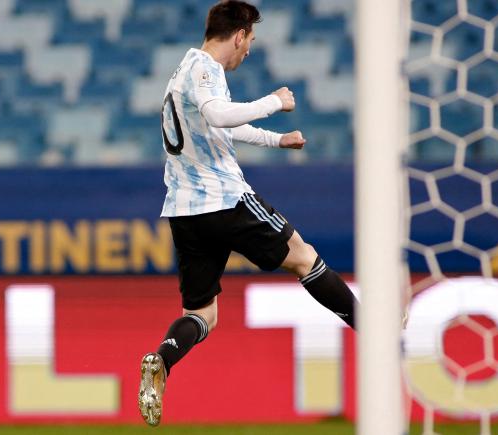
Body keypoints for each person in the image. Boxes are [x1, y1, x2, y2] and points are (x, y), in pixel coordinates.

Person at [138, 0, 358, 426]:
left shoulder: (186, 71)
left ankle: (161, 360)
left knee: (202, 315)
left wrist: (277, 141)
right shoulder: (205, 69)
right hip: (224, 199)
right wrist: (273, 101)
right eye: (250, 41)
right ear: (238, 35)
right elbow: (219, 114)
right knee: (302, 255)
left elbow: (221, 125)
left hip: (185, 212)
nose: (249, 51)